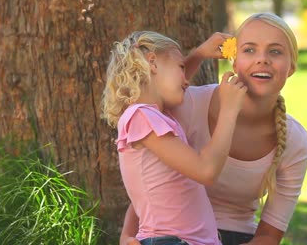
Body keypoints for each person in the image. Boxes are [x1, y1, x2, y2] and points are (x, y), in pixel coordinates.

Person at [120, 12, 307, 245]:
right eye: (249, 49)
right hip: (176, 237)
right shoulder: (188, 104)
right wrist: (127, 236)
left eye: (275, 51)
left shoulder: (295, 141)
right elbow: (150, 174)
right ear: (234, 60)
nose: (262, 59)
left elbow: (269, 236)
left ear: (291, 67)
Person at [102, 31, 247, 245]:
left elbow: (146, 189)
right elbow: (206, 170)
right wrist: (229, 109)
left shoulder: (155, 117)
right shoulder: (142, 117)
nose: (187, 81)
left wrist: (198, 54)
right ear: (152, 62)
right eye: (181, 68)